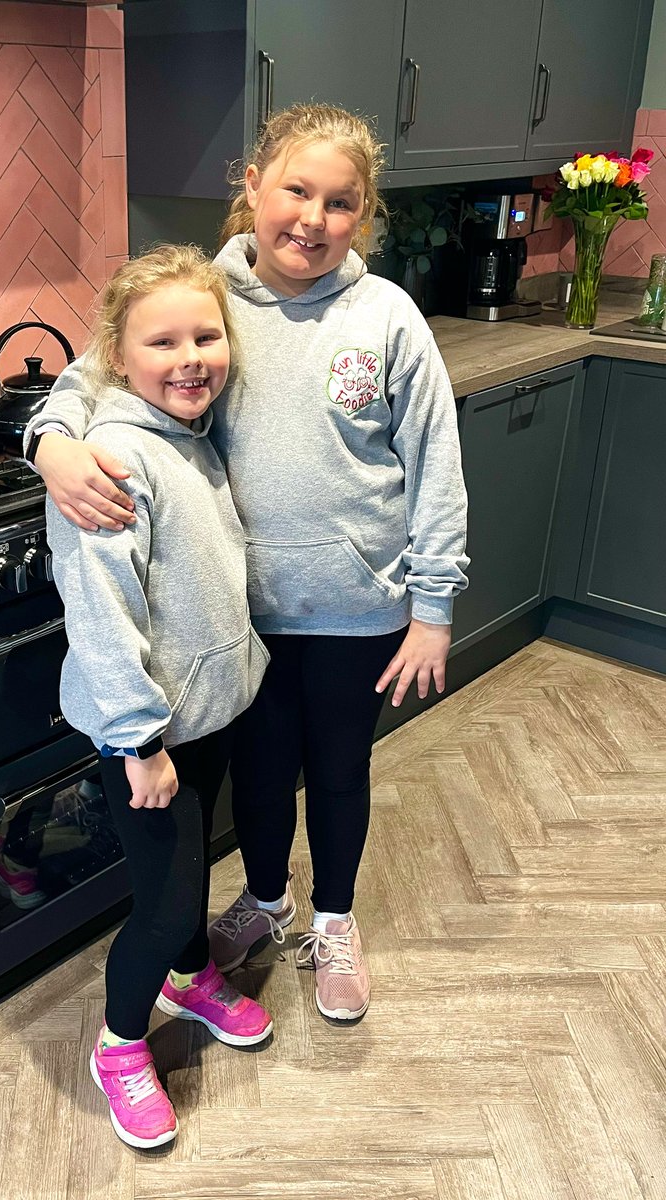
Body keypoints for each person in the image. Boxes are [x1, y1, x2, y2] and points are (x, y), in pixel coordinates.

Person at [29, 104, 469, 1027]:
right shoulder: (212, 298)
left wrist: (432, 608)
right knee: (264, 778)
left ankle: (335, 921)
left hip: (359, 609)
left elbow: (436, 464)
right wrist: (51, 444)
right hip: (245, 615)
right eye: (296, 191)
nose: (313, 217)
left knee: (341, 772)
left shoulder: (386, 316)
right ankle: (266, 902)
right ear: (253, 189)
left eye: (340, 202)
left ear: (365, 215)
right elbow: (91, 372)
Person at [46, 244, 273, 1151]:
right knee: (168, 903)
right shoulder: (112, 461)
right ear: (117, 354)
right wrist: (140, 741)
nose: (191, 357)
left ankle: (189, 979)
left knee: (186, 875)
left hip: (206, 707)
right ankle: (120, 1044)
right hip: (145, 729)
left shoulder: (193, 431)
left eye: (207, 336)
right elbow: (103, 612)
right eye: (163, 341)